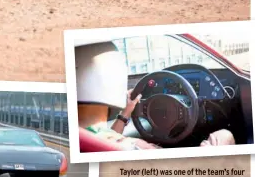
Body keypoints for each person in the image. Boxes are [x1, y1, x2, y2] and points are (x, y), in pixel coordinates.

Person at [75, 41, 235, 150]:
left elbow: (109, 137)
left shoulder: (86, 137)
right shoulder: (138, 147)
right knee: (225, 135)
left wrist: (127, 111)